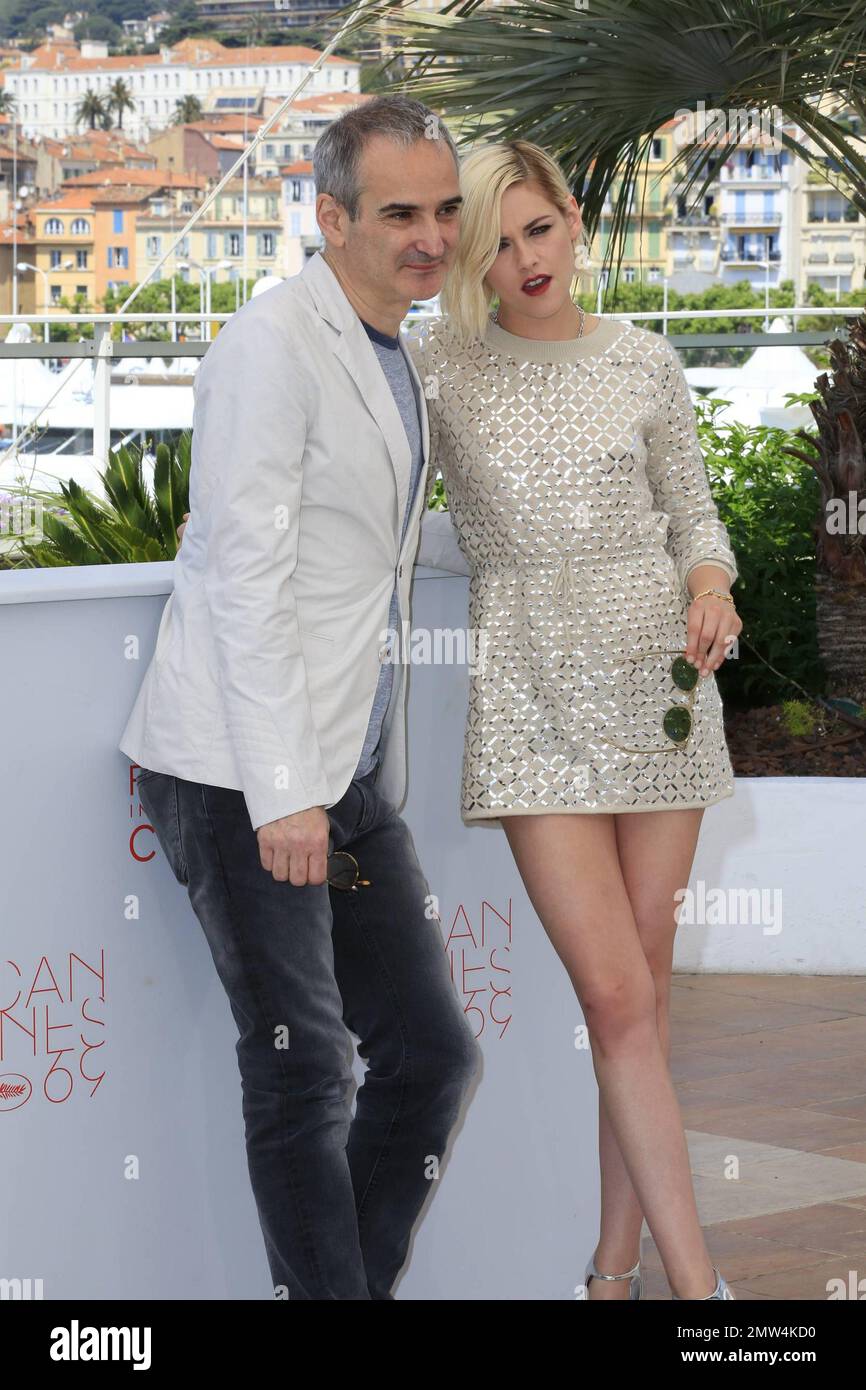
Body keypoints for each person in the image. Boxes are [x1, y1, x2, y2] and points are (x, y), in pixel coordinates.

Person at [119, 95, 481, 1301]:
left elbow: (370, 547)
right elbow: (243, 578)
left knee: (428, 1054)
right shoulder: (271, 347)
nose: (429, 236)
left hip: (342, 775)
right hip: (242, 772)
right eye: (398, 213)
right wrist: (284, 796)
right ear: (330, 218)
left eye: (443, 209)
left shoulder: (395, 351)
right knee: (301, 1064)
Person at [405, 139, 743, 1300]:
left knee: (636, 999)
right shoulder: (439, 363)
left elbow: (694, 517)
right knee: (612, 995)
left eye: (536, 229)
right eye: (495, 244)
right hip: (530, 700)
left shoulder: (644, 361)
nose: (523, 259)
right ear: (471, 261)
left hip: (658, 693)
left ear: (570, 221)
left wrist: (709, 585)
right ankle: (701, 1296)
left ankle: (611, 1270)